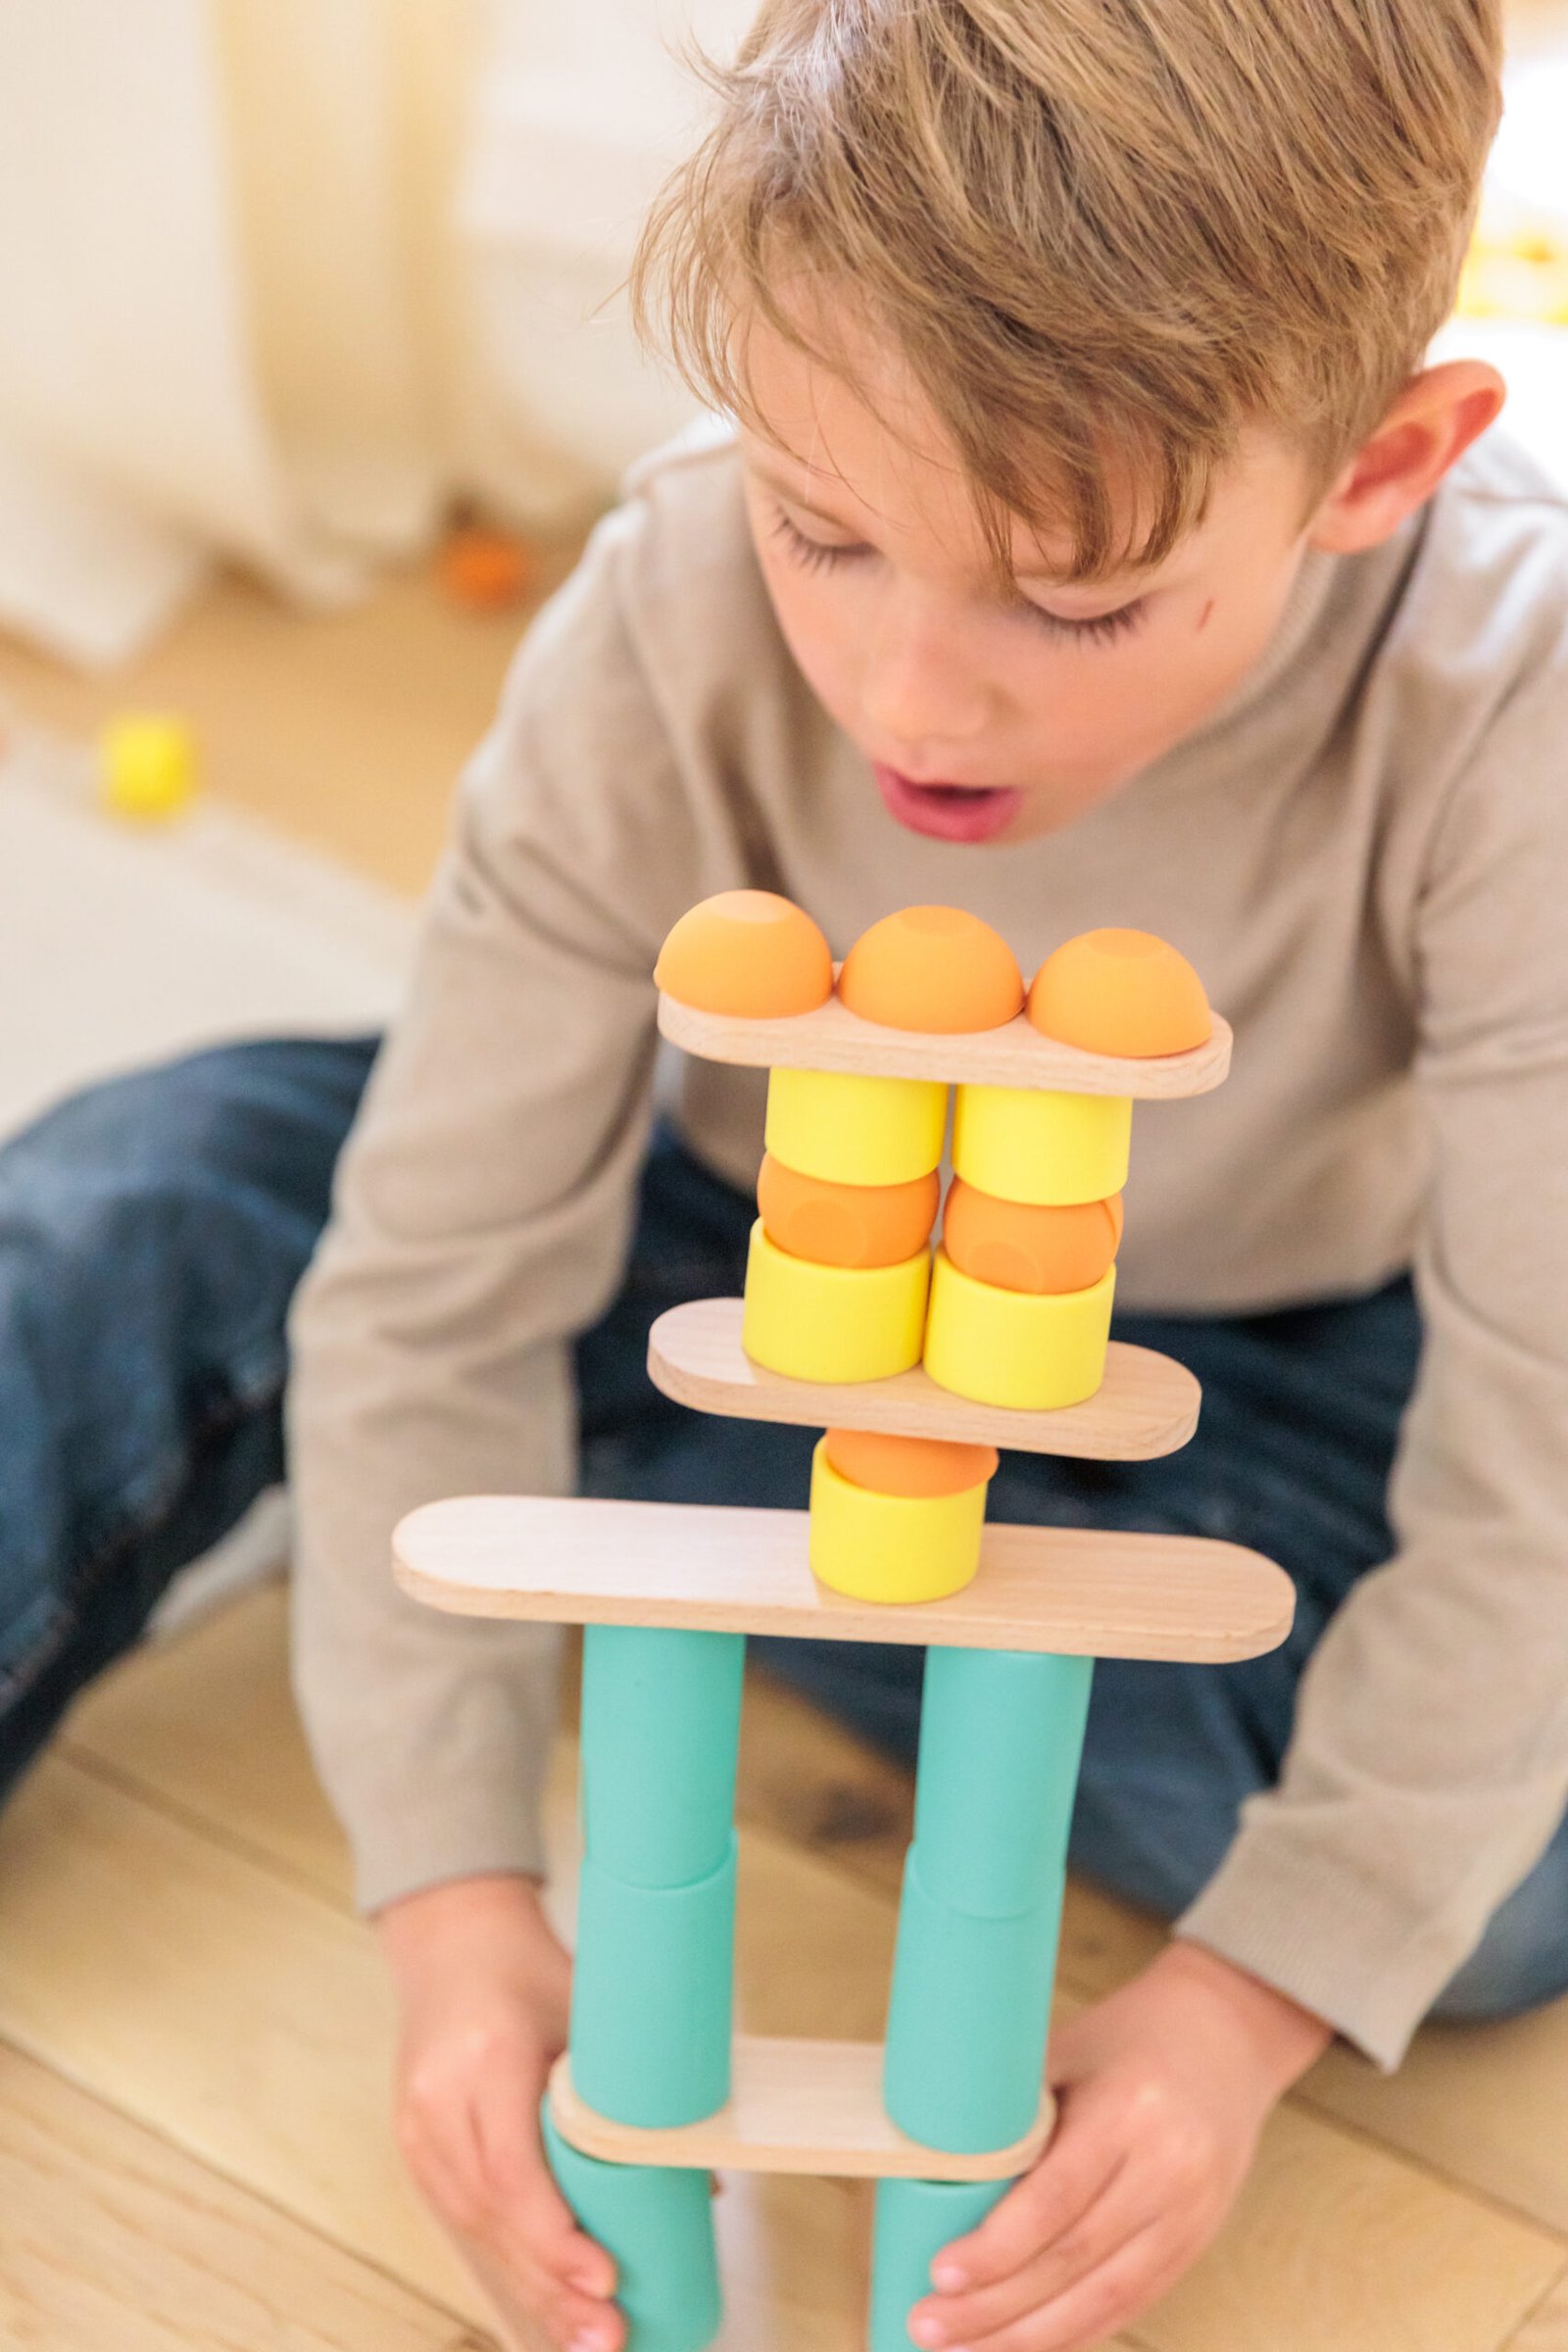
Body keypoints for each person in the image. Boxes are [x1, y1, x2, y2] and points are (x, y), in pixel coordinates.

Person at [4, 2, 1567, 2346]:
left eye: (1072, 601)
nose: (913, 701)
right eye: (822, 529)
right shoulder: (659, 605)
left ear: (1378, 463)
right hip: (732, 1258)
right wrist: (451, 1905)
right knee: (169, 1184)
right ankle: (679, 1530)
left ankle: (686, 1551)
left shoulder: (1507, 694)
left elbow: (1532, 1426)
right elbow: (436, 1266)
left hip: (1265, 1359)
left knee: (1503, 1873)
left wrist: (1245, 2007)